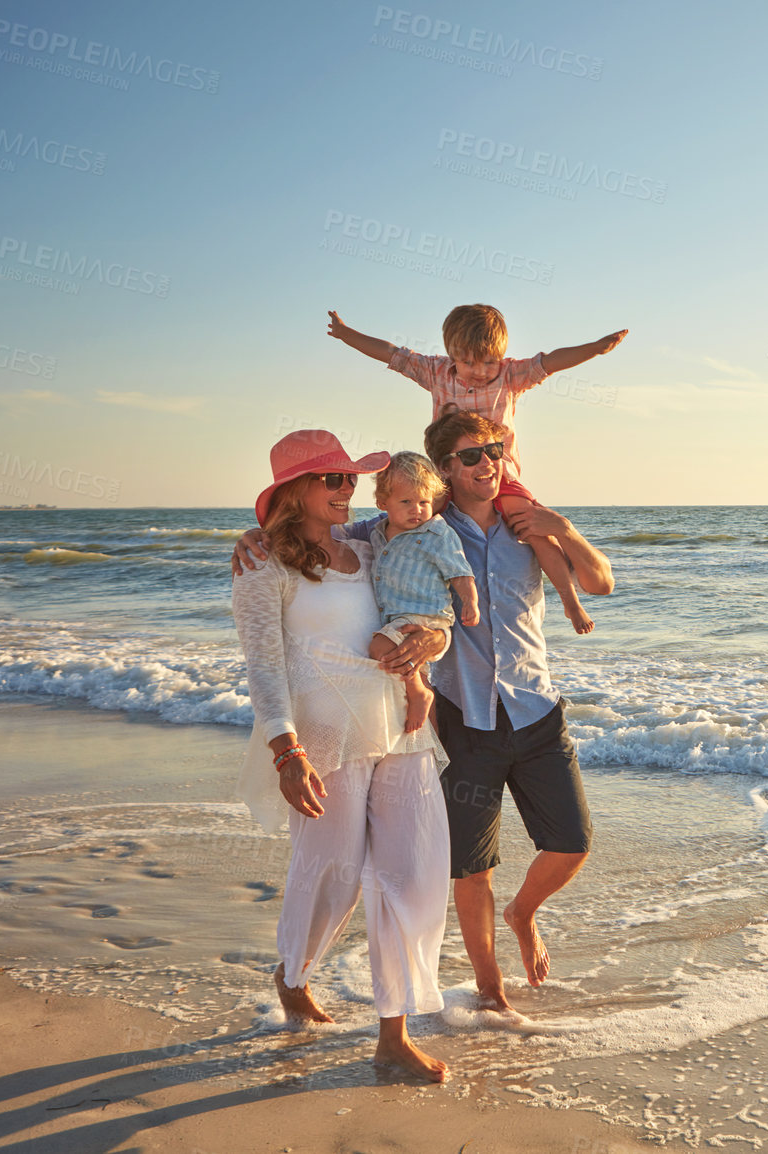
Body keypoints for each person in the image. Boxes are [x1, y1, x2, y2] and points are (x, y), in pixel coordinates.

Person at [235, 413, 614, 1015]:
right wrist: (253, 535)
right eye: (470, 456)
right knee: (424, 869)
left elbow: (599, 584)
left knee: (526, 854)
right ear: (444, 472)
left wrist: (562, 528)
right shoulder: (391, 529)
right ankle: (475, 991)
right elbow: (313, 552)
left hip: (483, 719)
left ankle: (486, 948)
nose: (486, 462)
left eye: (493, 450)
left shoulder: (510, 526)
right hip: (428, 724)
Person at [231, 429, 453, 1081]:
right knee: (334, 873)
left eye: (348, 480)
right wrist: (284, 750)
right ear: (294, 490)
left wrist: (430, 647)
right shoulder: (263, 565)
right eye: (331, 479)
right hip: (325, 736)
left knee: (410, 872)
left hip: (400, 722)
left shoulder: (367, 542)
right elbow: (264, 668)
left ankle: (393, 1034)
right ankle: (293, 973)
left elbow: (422, 597)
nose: (345, 489)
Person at [325, 303, 626, 637]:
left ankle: (570, 602)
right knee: (409, 522)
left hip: (505, 478)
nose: (480, 371)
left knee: (534, 529)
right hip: (443, 479)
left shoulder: (511, 376)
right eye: (468, 361)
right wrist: (345, 334)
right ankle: (402, 612)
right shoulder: (436, 372)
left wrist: (596, 349)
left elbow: (552, 361)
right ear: (452, 354)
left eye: (488, 361)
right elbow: (391, 354)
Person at [367, 451, 480, 734]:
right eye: (406, 502)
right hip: (398, 619)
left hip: (426, 617)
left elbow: (460, 571)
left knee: (379, 648)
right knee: (417, 674)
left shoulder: (437, 533)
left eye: (424, 502)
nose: (416, 509)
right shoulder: (376, 533)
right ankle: (431, 752)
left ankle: (419, 694)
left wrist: (470, 601)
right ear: (383, 502)